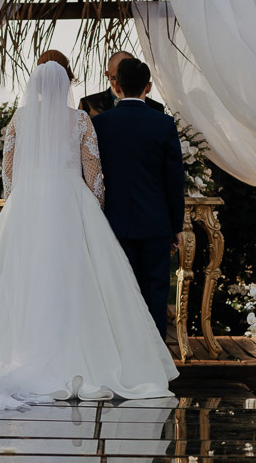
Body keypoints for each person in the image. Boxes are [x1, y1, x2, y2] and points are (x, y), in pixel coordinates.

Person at [0, 60, 177, 412]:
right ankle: (86, 356)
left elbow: (9, 171)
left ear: (34, 88)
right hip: (70, 200)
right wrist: (93, 211)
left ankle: (21, 351)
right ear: (66, 87)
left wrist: (22, 204)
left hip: (28, 203)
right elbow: (93, 174)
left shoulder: (20, 119)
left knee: (21, 281)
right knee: (77, 280)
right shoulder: (79, 120)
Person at [92, 58, 186, 338]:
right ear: (149, 86)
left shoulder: (101, 124)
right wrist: (176, 226)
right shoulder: (164, 123)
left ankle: (124, 354)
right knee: (156, 289)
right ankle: (155, 358)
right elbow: (174, 179)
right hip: (156, 222)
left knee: (119, 292)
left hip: (114, 222)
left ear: (116, 85)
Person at [79, 50, 164, 117]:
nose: (121, 83)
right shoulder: (88, 105)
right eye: (115, 78)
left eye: (127, 77)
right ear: (107, 75)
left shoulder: (155, 108)